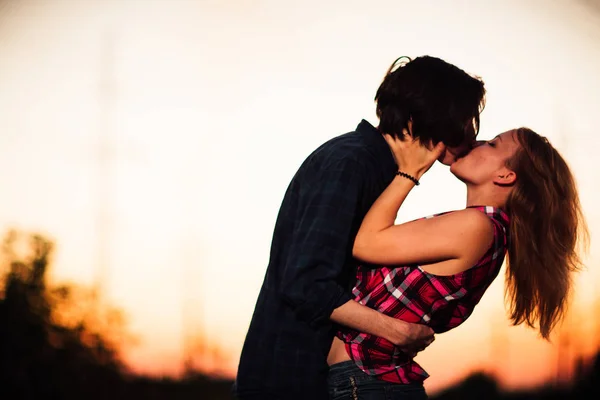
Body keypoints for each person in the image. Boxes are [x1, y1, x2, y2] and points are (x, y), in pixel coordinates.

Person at [234, 55, 486, 400]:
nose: (470, 136)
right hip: (290, 376)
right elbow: (305, 283)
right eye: (460, 121)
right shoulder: (351, 162)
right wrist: (396, 330)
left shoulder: (376, 168)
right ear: (416, 119)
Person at [327, 127, 589, 399]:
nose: (475, 143)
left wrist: (411, 171)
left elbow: (364, 244)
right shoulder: (484, 229)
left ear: (505, 175)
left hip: (370, 385)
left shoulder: (477, 227)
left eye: (492, 144)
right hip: (369, 383)